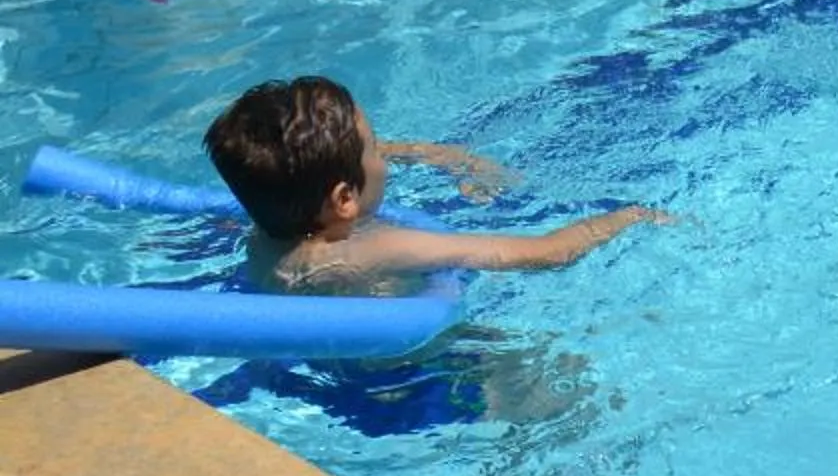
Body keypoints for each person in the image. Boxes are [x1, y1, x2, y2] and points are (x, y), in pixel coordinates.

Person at [204, 75, 665, 293]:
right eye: (376, 148)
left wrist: (428, 154)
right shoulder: (379, 248)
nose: (384, 155)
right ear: (344, 199)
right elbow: (544, 254)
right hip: (415, 380)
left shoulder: (268, 228)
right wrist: (627, 218)